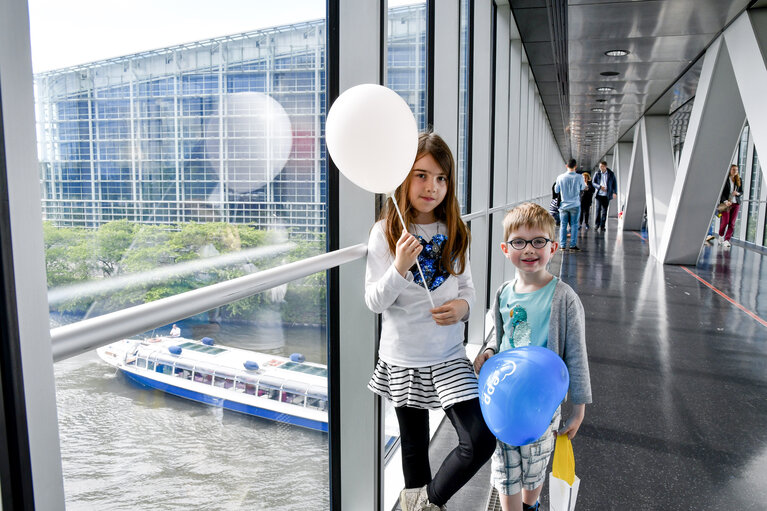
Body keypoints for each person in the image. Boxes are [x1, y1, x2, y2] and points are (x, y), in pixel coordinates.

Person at [365, 132, 495, 511]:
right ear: (403, 178)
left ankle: (427, 504)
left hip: (449, 354)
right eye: (421, 175)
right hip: (403, 357)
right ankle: (418, 501)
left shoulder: (455, 230)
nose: (431, 187)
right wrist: (400, 267)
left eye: (441, 178)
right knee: (414, 453)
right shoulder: (384, 234)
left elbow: (468, 288)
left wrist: (463, 309)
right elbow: (374, 301)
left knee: (479, 439)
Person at [473, 203, 592, 511]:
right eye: (519, 242)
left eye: (538, 241)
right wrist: (487, 352)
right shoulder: (502, 293)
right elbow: (501, 341)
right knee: (504, 469)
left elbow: (577, 355)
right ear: (505, 248)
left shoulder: (564, 297)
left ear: (553, 247)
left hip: (542, 404)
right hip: (505, 397)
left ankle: (531, 505)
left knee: (534, 467)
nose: (529, 249)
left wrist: (577, 409)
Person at [554, 159, 585, 251]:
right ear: (575, 166)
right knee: (574, 225)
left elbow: (556, 190)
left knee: (563, 225)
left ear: (566, 166)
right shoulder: (579, 177)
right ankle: (572, 245)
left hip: (563, 205)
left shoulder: (560, 177)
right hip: (575, 205)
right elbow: (582, 187)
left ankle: (562, 246)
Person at [717, 164, 743, 248]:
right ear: (730, 170)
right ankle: (721, 235)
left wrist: (738, 193)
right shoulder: (725, 180)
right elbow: (721, 193)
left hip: (736, 204)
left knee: (732, 223)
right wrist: (725, 201)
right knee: (725, 222)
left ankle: (727, 240)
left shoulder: (739, 180)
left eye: (736, 170)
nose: (735, 171)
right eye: (733, 169)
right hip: (726, 204)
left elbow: (741, 191)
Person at [592, 161, 617, 232]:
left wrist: (615, 192)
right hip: (599, 195)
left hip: (606, 195)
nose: (601, 168)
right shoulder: (597, 173)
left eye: (602, 166)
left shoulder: (611, 174)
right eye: (600, 166)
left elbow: (614, 183)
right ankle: (597, 225)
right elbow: (593, 183)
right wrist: (599, 187)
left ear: (605, 166)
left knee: (604, 211)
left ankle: (602, 226)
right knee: (598, 210)